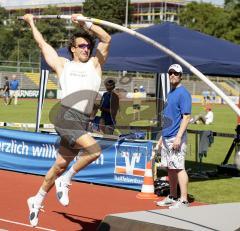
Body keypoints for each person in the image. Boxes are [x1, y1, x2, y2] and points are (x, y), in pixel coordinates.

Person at [23, 13, 111, 227]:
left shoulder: (95, 65)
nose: (86, 49)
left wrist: (86, 23)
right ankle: (68, 178)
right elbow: (42, 43)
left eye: (87, 46)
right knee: (94, 151)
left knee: (60, 165)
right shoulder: (63, 65)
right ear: (72, 48)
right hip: (66, 116)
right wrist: (31, 22)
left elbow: (107, 38)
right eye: (81, 46)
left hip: (82, 121)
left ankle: (36, 199)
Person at [156, 64, 192, 209]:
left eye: (175, 73)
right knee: (170, 168)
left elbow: (187, 117)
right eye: (170, 73)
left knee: (179, 168)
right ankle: (172, 196)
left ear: (180, 75)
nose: (172, 75)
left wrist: (178, 137)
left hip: (176, 137)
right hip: (166, 137)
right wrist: (160, 138)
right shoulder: (170, 93)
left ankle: (183, 200)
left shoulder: (183, 93)